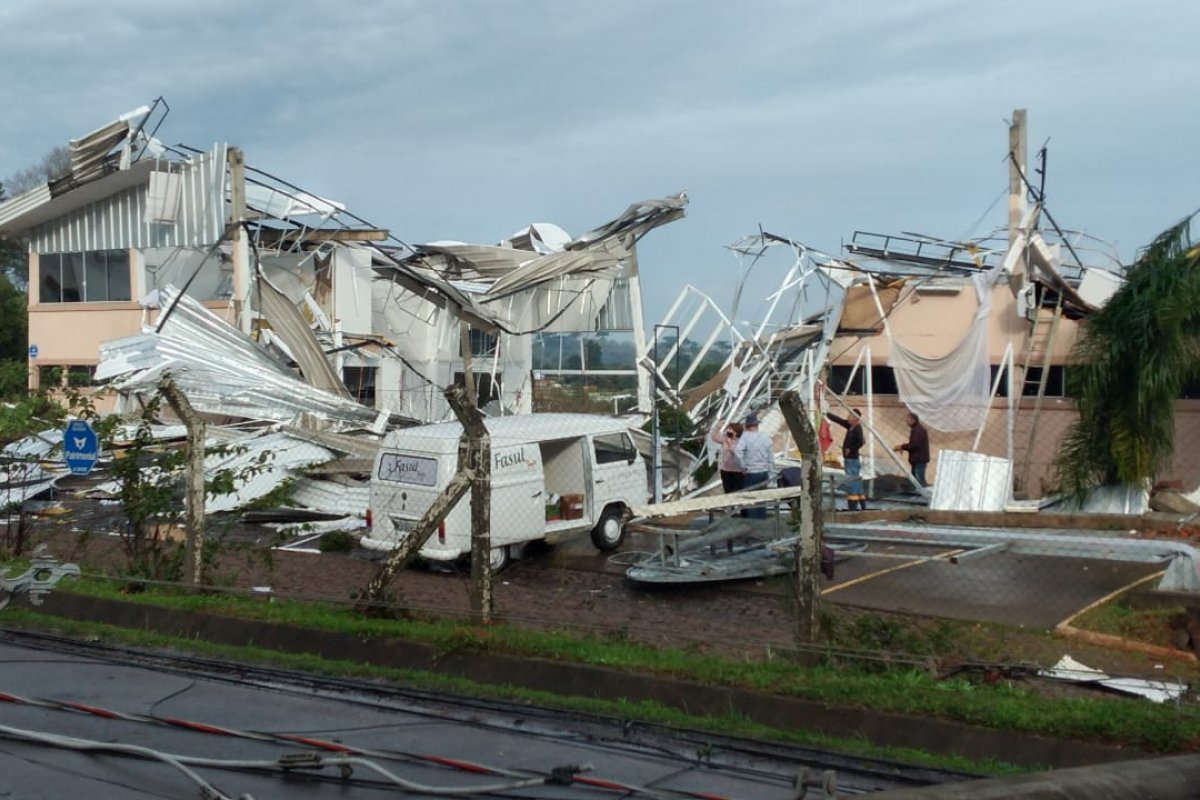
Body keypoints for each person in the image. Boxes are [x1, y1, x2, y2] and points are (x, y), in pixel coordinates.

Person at [826, 408, 867, 511]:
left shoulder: (857, 428)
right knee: (857, 482)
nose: (848, 417)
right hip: (850, 459)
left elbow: (861, 442)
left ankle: (852, 507)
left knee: (851, 482)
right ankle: (862, 506)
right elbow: (839, 420)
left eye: (850, 416)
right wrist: (827, 414)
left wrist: (851, 450)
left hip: (852, 459)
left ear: (856, 418)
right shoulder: (850, 426)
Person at [734, 413, 774, 519]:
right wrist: (770, 471)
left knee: (751, 499)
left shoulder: (746, 437)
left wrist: (743, 465)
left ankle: (752, 523)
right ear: (757, 425)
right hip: (764, 471)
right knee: (761, 499)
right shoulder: (765, 437)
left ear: (747, 426)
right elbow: (771, 456)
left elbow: (738, 451)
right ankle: (761, 521)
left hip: (751, 471)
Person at [895, 411, 930, 487]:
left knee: (919, 482)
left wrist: (902, 446)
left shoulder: (918, 430)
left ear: (913, 420)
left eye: (908, 419)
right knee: (917, 480)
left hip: (919, 459)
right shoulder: (917, 429)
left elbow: (914, 445)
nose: (906, 421)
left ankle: (921, 496)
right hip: (918, 459)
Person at [709, 420, 745, 493]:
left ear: (736, 432)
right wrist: (718, 426)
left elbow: (737, 452)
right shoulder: (725, 439)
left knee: (739, 490)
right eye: (728, 429)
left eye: (731, 430)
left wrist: (730, 445)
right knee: (728, 490)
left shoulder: (742, 441)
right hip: (726, 470)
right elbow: (714, 436)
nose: (728, 431)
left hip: (739, 471)